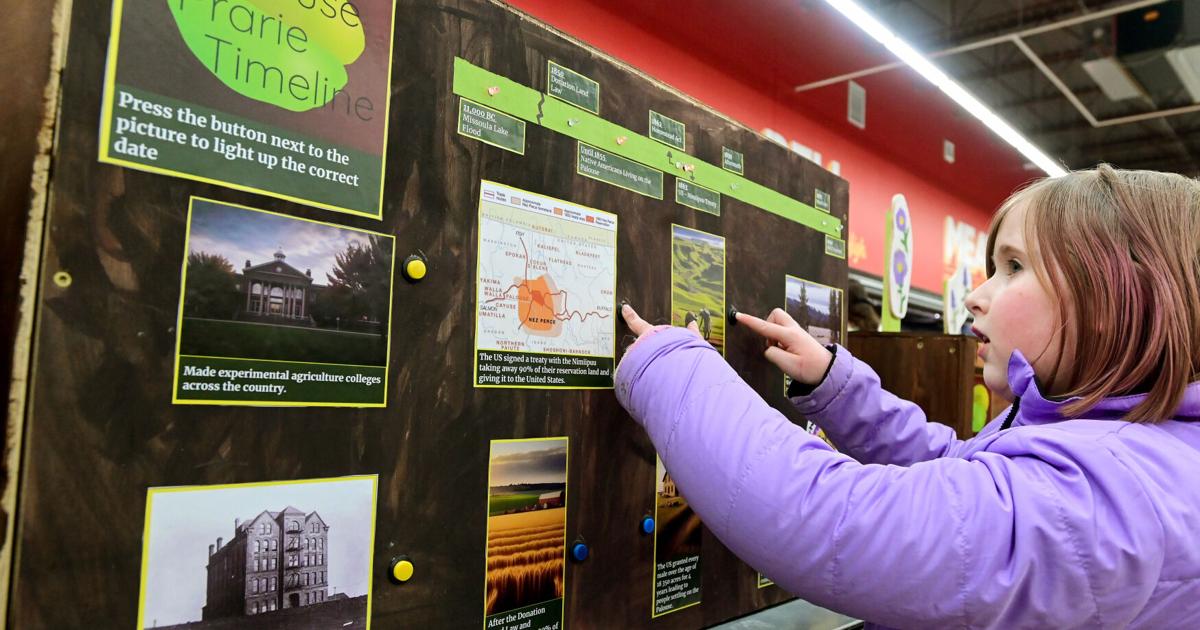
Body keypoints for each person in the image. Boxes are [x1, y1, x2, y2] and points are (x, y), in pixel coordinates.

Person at [615, 165, 1200, 628]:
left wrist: (673, 367)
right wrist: (835, 387)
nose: (976, 295)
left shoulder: (1100, 493)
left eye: (1013, 266)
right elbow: (954, 467)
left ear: (1117, 297)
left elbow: (837, 522)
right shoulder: (1126, 451)